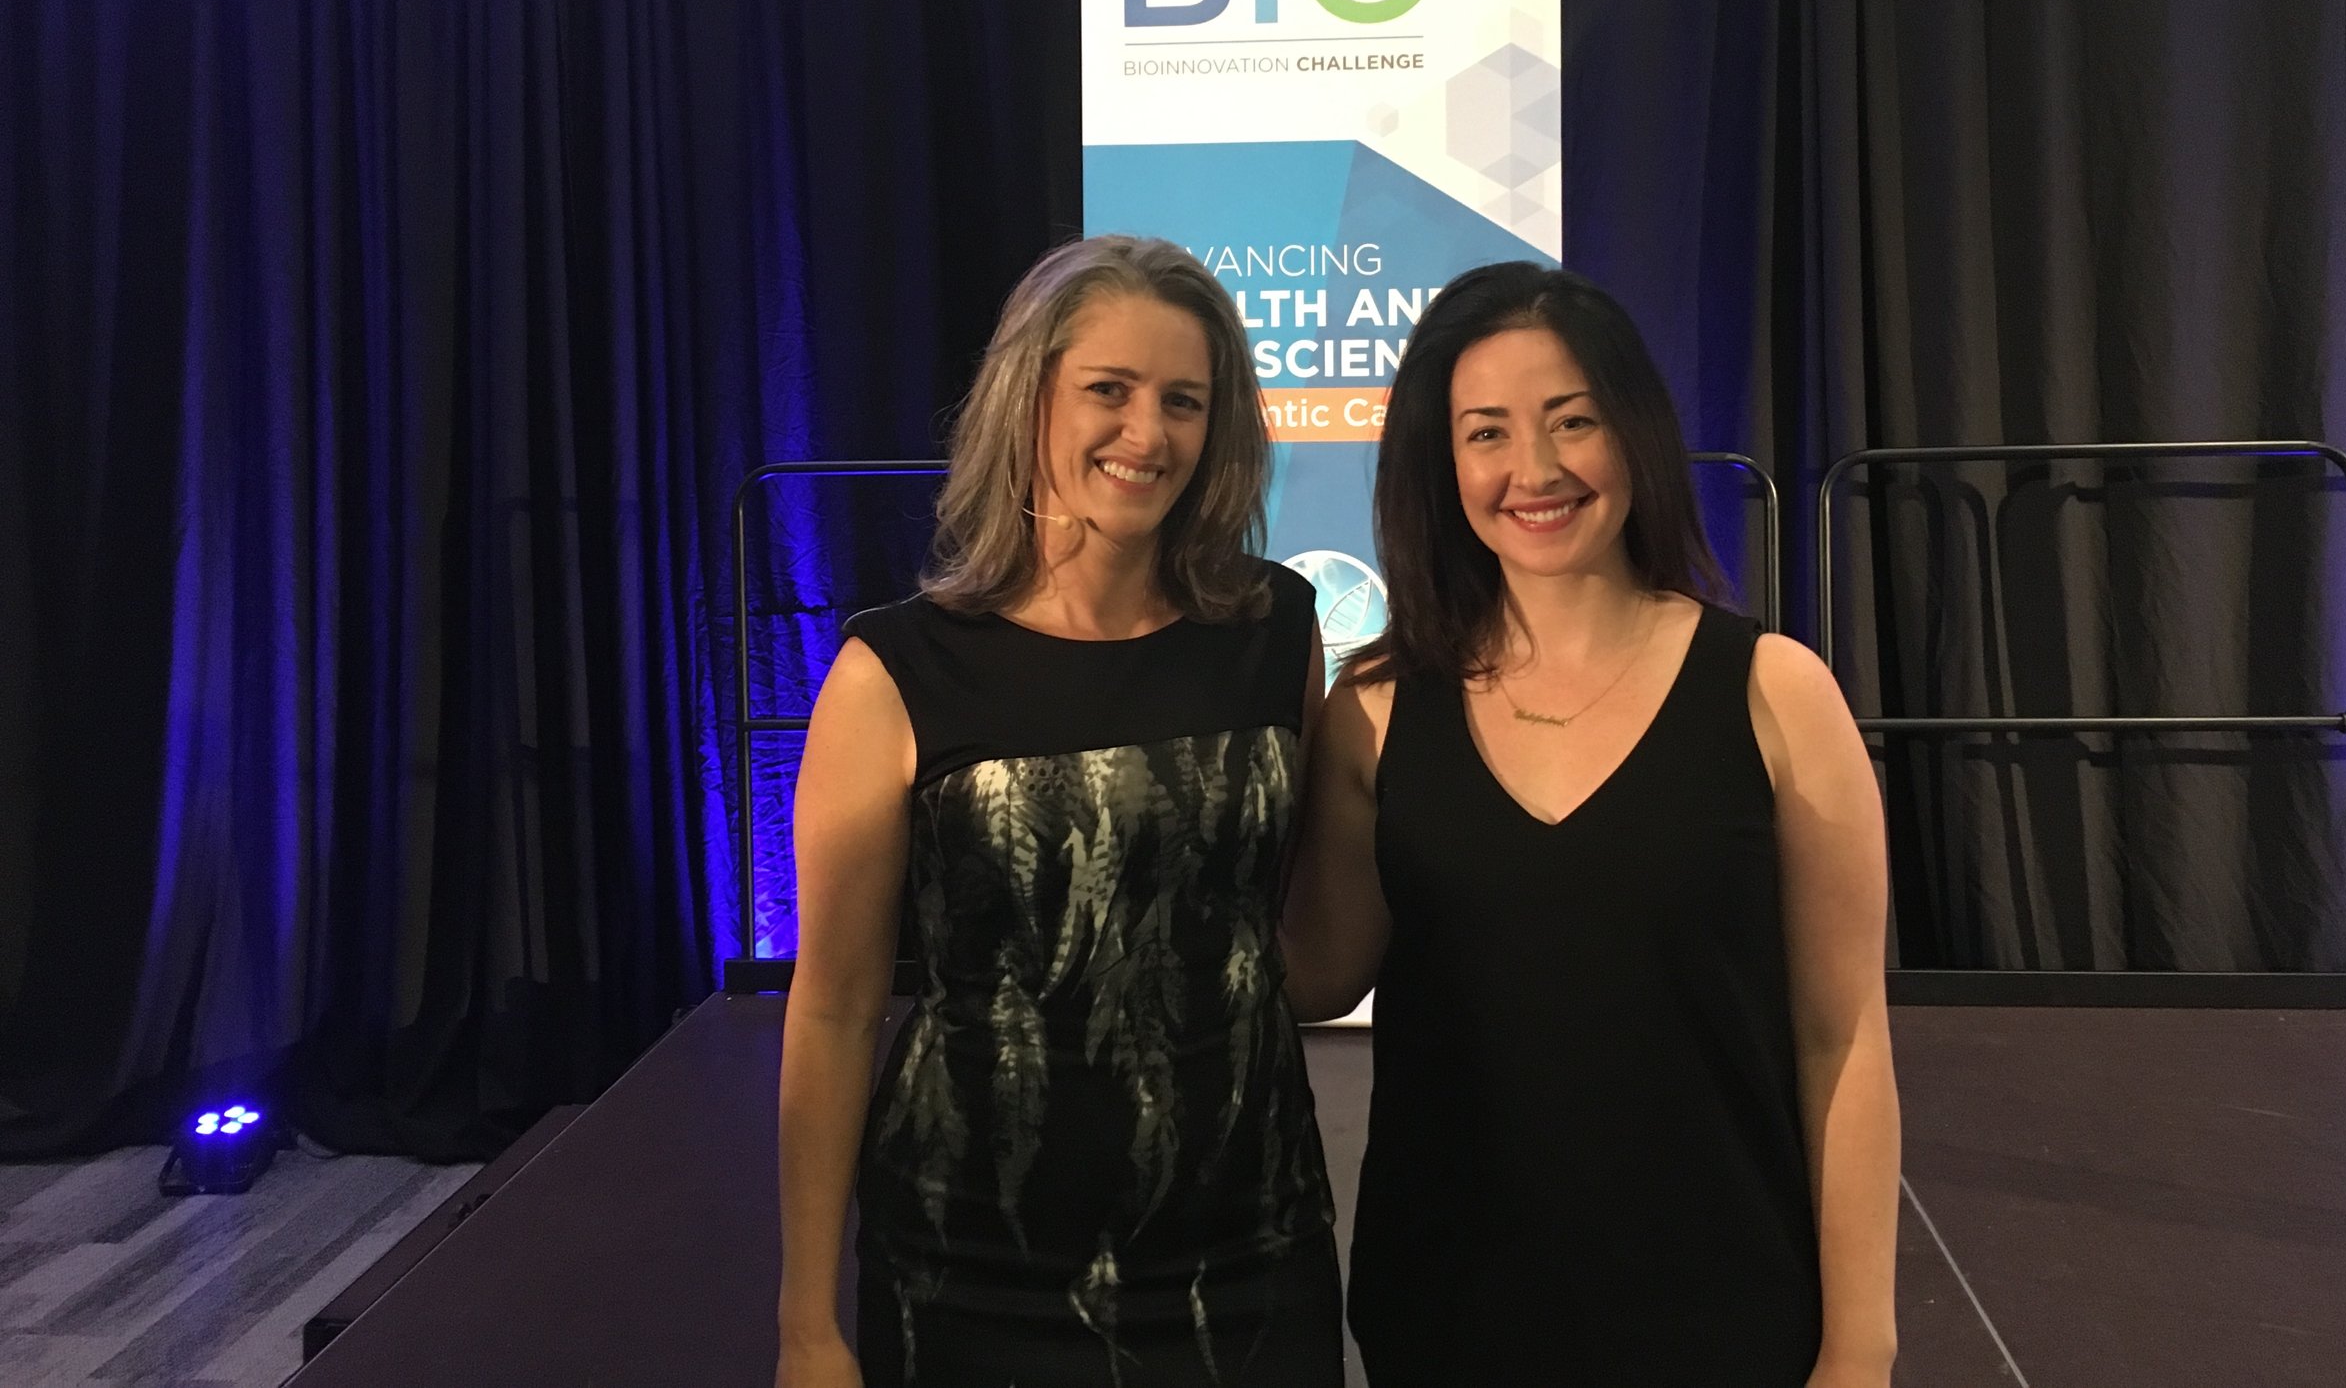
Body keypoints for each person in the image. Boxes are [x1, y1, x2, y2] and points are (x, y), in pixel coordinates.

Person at [1282, 261, 1898, 1388]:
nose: (1536, 469)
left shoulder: (1774, 692)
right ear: (1439, 462)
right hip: (1449, 1314)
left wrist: (1860, 1345)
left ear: (1636, 433)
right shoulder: (1370, 713)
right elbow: (1310, 975)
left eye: (1573, 421)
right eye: (1486, 433)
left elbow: (1842, 1037)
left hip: (1722, 1314)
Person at [775, 234, 1342, 1388]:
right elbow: (833, 1012)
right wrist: (804, 1322)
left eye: (1183, 401)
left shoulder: (1275, 628)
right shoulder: (893, 671)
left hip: (1246, 1244)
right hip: (970, 1261)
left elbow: (1298, 947)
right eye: (1109, 392)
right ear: (1027, 397)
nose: (1148, 435)